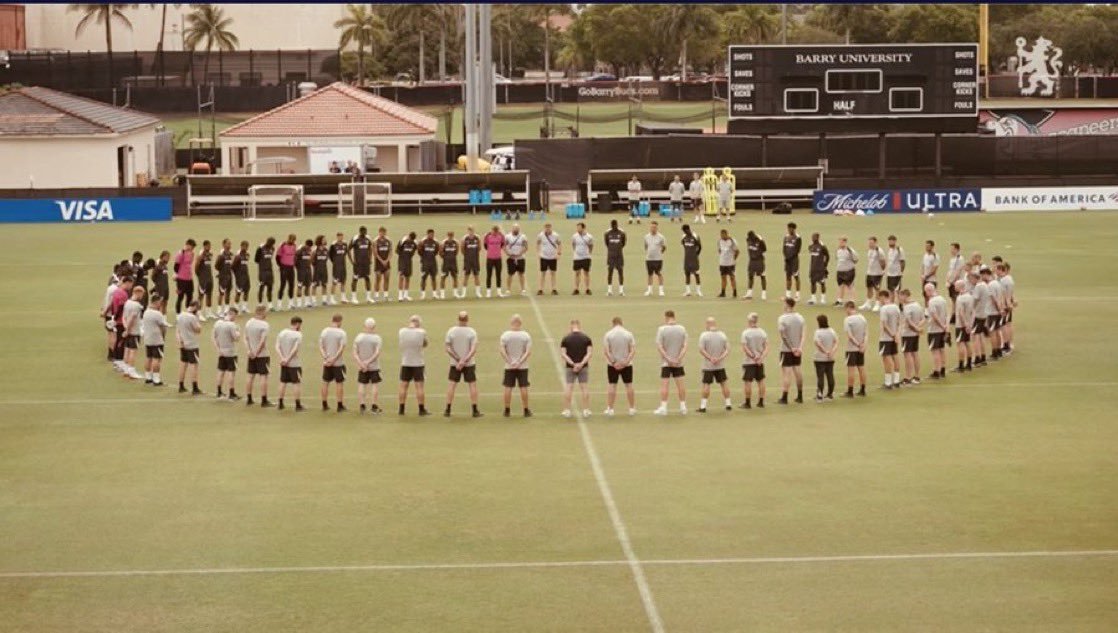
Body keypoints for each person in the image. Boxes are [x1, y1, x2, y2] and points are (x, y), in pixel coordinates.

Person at [444, 311, 481, 418]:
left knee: (452, 385)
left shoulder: (451, 331)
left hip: (454, 363)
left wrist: (458, 360)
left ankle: (448, 409)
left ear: (458, 319)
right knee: (472, 385)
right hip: (469, 363)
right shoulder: (472, 332)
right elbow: (473, 349)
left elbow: (448, 348)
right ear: (467, 320)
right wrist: (464, 361)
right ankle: (474, 410)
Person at [653, 310, 688, 415]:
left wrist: (668, 359)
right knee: (680, 384)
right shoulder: (682, 329)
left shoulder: (662, 329)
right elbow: (685, 346)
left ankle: (664, 407)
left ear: (666, 317)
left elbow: (660, 346)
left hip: (666, 363)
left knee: (665, 384)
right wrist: (678, 358)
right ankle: (683, 407)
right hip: (678, 362)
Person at [499, 314, 532, 417]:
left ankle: (507, 409)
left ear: (511, 323)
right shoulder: (526, 335)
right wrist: (520, 362)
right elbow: (528, 352)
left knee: (508, 387)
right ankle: (526, 409)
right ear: (520, 323)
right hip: (523, 366)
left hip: (509, 366)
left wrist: (510, 362)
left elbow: (502, 350)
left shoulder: (505, 335)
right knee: (523, 387)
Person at [603, 316, 636, 416]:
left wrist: (613, 362)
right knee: (629, 385)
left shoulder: (608, 334)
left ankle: (610, 409)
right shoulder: (628, 334)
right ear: (622, 323)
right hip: (627, 364)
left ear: (613, 323)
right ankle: (632, 408)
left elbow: (606, 351)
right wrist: (625, 362)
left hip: (613, 365)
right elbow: (632, 350)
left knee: (612, 385)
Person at [559, 319, 593, 418]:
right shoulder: (586, 338)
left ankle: (567, 410)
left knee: (569, 387)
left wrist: (573, 364)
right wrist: (581, 364)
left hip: (570, 367)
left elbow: (563, 354)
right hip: (583, 367)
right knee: (584, 387)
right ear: (579, 326)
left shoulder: (566, 339)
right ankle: (586, 410)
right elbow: (589, 353)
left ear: (571, 326)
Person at [698, 317, 732, 412]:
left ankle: (703, 406)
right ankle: (728, 403)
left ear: (708, 324)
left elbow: (701, 349)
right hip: (720, 365)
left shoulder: (704, 335)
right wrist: (720, 358)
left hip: (708, 366)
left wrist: (710, 358)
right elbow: (727, 349)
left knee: (706, 384)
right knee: (724, 383)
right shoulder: (722, 335)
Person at [398, 314, 430, 416]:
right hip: (418, 362)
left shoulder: (402, 331)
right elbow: (425, 344)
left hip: (406, 361)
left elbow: (401, 344)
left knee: (403, 385)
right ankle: (421, 409)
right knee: (419, 386)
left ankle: (401, 409)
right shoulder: (421, 332)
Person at [776, 297, 805, 404]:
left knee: (786, 373)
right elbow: (802, 335)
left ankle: (784, 397)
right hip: (798, 349)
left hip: (786, 350)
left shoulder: (782, 319)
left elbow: (783, 336)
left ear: (787, 305)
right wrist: (799, 347)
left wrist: (791, 348)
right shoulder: (800, 318)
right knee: (798, 371)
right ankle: (800, 395)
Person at [243, 304, 272, 407]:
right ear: (262, 312)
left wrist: (249, 351)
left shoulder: (248, 323)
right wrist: (257, 353)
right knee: (263, 377)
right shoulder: (264, 325)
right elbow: (262, 341)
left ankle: (249, 399)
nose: (267, 313)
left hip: (251, 354)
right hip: (262, 355)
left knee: (250, 376)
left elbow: (246, 338)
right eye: (266, 311)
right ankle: (264, 400)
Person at [353, 318, 383, 414]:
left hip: (362, 367)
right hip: (373, 366)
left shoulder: (359, 337)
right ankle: (374, 405)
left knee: (362, 384)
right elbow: (377, 353)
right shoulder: (377, 338)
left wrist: (361, 363)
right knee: (374, 385)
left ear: (364, 326)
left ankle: (362, 405)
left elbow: (355, 352)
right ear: (373, 327)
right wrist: (368, 362)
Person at [275, 316, 305, 411]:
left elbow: (277, 346)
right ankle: (298, 405)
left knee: (283, 382)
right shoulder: (298, 335)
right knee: (296, 383)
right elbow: (295, 349)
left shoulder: (282, 332)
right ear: (297, 324)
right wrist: (287, 359)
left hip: (283, 363)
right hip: (294, 363)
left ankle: (280, 403)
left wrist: (282, 358)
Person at [319, 313, 348, 412]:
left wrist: (326, 358)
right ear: (339, 321)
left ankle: (324, 404)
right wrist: (334, 359)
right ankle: (339, 405)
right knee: (339, 383)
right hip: (338, 363)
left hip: (326, 362)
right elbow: (341, 348)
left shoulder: (324, 331)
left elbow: (321, 346)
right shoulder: (341, 333)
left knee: (325, 382)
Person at [739, 312, 768, 408]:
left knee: (748, 382)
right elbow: (767, 347)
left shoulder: (746, 333)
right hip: (760, 362)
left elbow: (745, 347)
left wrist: (753, 356)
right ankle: (761, 402)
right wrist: (761, 358)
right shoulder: (763, 332)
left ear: (749, 321)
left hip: (749, 362)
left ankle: (747, 403)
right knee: (761, 381)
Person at [140, 293, 170, 386]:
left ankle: (148, 377)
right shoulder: (158, 314)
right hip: (157, 339)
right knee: (157, 359)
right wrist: (163, 337)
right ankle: (156, 378)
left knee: (149, 357)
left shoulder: (146, 312)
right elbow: (163, 327)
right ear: (156, 302)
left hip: (148, 338)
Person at [212, 307, 241, 400]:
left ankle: (219, 391)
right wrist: (238, 332)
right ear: (232, 314)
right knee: (231, 373)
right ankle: (231, 393)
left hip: (221, 351)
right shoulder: (231, 325)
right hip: (231, 352)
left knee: (221, 372)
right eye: (235, 315)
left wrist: (218, 349)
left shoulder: (218, 323)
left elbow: (214, 337)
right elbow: (236, 338)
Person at [841, 301, 869, 398]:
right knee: (861, 368)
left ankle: (850, 391)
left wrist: (857, 344)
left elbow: (850, 336)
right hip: (861, 348)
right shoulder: (862, 318)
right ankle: (863, 389)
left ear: (849, 308)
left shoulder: (848, 320)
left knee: (851, 370)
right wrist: (863, 345)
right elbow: (866, 333)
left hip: (852, 348)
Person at [176, 300, 203, 395]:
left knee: (183, 364)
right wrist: (198, 319)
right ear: (195, 307)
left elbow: (178, 331)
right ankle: (194, 387)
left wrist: (180, 342)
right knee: (194, 366)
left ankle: (181, 385)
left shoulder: (180, 315)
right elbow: (198, 330)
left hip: (183, 343)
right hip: (192, 344)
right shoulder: (192, 317)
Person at [877, 290, 902, 389]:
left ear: (883, 297)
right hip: (894, 337)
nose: (879, 300)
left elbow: (884, 324)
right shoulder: (896, 307)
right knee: (895, 356)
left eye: (879, 298)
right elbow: (899, 322)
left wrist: (892, 334)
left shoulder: (884, 309)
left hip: (885, 338)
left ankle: (888, 382)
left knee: (886, 359)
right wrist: (896, 335)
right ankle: (896, 380)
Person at [900, 288, 925, 386]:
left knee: (907, 355)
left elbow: (908, 322)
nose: (899, 298)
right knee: (915, 353)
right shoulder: (918, 305)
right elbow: (923, 319)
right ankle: (917, 376)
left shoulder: (907, 307)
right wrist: (918, 328)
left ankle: (908, 377)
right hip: (915, 335)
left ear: (905, 295)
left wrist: (916, 328)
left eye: (900, 296)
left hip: (907, 334)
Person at [925, 282, 949, 380]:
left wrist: (942, 326)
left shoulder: (932, 301)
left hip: (934, 330)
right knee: (941, 349)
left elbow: (934, 316)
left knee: (935, 351)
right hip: (942, 329)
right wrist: (945, 326)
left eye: (926, 291)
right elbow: (946, 314)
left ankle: (936, 371)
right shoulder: (942, 299)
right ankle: (942, 369)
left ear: (929, 290)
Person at [121, 285, 146, 380]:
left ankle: (126, 370)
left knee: (127, 350)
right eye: (142, 294)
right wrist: (128, 330)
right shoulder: (137, 306)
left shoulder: (127, 302)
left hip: (127, 329)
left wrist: (125, 328)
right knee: (133, 351)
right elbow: (132, 318)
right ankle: (131, 371)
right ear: (138, 293)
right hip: (134, 331)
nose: (142, 296)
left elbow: (124, 317)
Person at [812, 314, 838, 402]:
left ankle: (820, 395)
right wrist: (832, 352)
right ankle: (830, 394)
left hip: (820, 357)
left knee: (820, 377)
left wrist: (825, 351)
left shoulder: (818, 332)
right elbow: (836, 342)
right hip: (830, 358)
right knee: (830, 375)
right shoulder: (831, 331)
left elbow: (818, 343)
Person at [953, 279, 976, 373]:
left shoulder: (960, 298)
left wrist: (965, 324)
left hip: (961, 324)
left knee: (960, 344)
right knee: (967, 342)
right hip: (969, 323)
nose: (954, 287)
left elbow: (960, 312)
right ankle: (969, 364)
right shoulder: (970, 296)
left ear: (960, 287)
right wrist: (970, 324)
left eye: (956, 286)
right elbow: (973, 311)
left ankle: (961, 365)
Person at [860, 236, 887, 312]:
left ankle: (877, 304)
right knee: (869, 288)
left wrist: (882, 271)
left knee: (877, 289)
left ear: (875, 242)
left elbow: (883, 261)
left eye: (871, 243)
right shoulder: (870, 250)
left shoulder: (879, 251)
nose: (870, 244)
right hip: (869, 272)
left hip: (877, 273)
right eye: (869, 243)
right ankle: (868, 303)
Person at [349, 226, 374, 304]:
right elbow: (348, 249)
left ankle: (368, 297)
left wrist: (370, 258)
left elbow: (370, 248)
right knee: (355, 279)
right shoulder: (355, 239)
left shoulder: (368, 238)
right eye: (363, 232)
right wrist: (352, 261)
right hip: (358, 263)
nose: (365, 233)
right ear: (360, 232)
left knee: (367, 278)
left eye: (365, 232)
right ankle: (353, 298)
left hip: (366, 263)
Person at [969, 270, 989, 367]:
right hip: (984, 313)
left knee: (975, 336)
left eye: (971, 279)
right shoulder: (985, 285)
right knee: (980, 335)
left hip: (978, 314)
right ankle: (983, 356)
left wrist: (971, 310)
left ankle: (977, 357)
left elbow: (975, 300)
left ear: (974, 278)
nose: (970, 281)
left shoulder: (978, 286)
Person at [996, 262, 1016, 355]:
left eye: (997, 270)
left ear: (1001, 270)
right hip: (1008, 305)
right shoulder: (1010, 278)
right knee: (1007, 325)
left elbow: (1003, 295)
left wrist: (1003, 307)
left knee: (1003, 326)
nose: (996, 272)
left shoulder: (1003, 280)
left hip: (1005, 306)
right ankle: (1007, 344)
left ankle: (1006, 345)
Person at [504, 223, 529, 296]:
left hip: (520, 258)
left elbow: (526, 247)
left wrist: (520, 253)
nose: (516, 229)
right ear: (512, 228)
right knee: (510, 274)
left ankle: (523, 290)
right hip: (511, 258)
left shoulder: (523, 237)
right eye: (515, 228)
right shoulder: (508, 236)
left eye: (517, 228)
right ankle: (508, 290)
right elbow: (504, 246)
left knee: (521, 274)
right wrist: (508, 253)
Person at [536, 223, 561, 295]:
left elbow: (559, 244)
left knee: (553, 273)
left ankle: (554, 289)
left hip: (553, 257)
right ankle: (540, 289)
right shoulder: (541, 235)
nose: (547, 229)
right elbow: (537, 243)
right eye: (546, 228)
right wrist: (538, 253)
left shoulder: (556, 235)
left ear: (551, 228)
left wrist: (558, 253)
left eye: (549, 228)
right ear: (544, 228)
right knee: (543, 273)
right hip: (544, 257)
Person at [643, 221, 667, 296]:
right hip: (649, 259)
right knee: (650, 274)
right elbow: (646, 246)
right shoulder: (646, 237)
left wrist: (659, 253)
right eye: (652, 227)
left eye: (654, 227)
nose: (653, 228)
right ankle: (649, 290)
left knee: (658, 273)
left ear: (657, 228)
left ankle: (661, 290)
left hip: (658, 259)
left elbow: (664, 247)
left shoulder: (661, 237)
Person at [173, 238, 196, 314]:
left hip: (189, 278)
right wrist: (177, 275)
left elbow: (189, 264)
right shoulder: (181, 253)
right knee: (180, 297)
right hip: (181, 279)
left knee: (190, 296)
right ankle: (178, 314)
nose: (192, 248)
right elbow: (176, 266)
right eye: (192, 246)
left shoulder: (192, 253)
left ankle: (188, 312)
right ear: (188, 245)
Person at [604, 219, 627, 296]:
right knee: (610, 272)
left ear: (617, 224)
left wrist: (618, 249)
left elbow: (623, 243)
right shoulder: (607, 233)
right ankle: (609, 290)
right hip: (611, 256)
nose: (614, 226)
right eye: (613, 225)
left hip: (619, 256)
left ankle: (621, 290)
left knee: (620, 272)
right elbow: (607, 243)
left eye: (615, 225)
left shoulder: (622, 233)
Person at [833, 235, 857, 306]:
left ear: (845, 242)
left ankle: (851, 300)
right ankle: (839, 300)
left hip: (849, 270)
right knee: (841, 285)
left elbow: (856, 259)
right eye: (839, 241)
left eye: (841, 241)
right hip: (840, 271)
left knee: (850, 286)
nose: (840, 243)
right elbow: (837, 258)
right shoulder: (838, 250)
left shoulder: (850, 250)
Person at [571, 222, 594, 295]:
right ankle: (576, 288)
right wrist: (576, 252)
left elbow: (591, 245)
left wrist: (589, 253)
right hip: (577, 257)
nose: (578, 229)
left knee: (586, 273)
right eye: (577, 227)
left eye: (579, 227)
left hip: (586, 257)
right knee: (577, 273)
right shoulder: (574, 236)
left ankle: (587, 288)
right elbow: (573, 244)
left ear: (583, 228)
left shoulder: (589, 236)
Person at [483, 225, 506, 298]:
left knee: (498, 275)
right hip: (490, 258)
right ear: (492, 230)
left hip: (498, 258)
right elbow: (485, 246)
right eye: (494, 231)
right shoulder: (487, 236)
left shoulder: (501, 236)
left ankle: (499, 292)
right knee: (489, 275)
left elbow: (502, 244)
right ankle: (488, 292)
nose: (495, 232)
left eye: (496, 231)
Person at [807, 232, 830, 306]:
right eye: (812, 237)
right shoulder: (811, 246)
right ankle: (813, 299)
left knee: (822, 283)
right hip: (813, 267)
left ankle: (823, 298)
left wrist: (825, 265)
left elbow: (827, 256)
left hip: (820, 268)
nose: (813, 239)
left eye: (814, 237)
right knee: (812, 282)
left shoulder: (822, 246)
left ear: (818, 238)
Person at [744, 230, 767, 301]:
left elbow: (765, 249)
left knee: (762, 276)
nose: (751, 239)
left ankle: (763, 293)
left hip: (759, 260)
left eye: (752, 237)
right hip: (752, 260)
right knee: (750, 276)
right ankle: (749, 293)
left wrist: (758, 253)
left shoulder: (759, 240)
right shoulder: (748, 240)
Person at [195, 239, 216, 319]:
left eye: (210, 245)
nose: (210, 247)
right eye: (208, 245)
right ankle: (199, 313)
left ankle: (208, 312)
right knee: (201, 296)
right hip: (202, 278)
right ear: (205, 246)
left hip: (209, 278)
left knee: (209, 294)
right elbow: (196, 267)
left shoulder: (210, 254)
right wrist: (199, 276)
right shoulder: (200, 255)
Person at [276, 234, 297, 311]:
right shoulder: (282, 245)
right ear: (289, 238)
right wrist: (280, 266)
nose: (293, 241)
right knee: (283, 285)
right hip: (284, 267)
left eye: (294, 240)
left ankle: (290, 303)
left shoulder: (294, 246)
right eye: (292, 239)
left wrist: (293, 264)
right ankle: (279, 304)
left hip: (291, 268)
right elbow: (277, 257)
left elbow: (294, 256)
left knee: (291, 285)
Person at [716, 228, 739, 298]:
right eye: (721, 235)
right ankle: (723, 292)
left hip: (730, 263)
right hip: (722, 263)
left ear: (726, 234)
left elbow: (737, 251)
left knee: (732, 277)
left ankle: (734, 292)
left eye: (723, 235)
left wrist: (733, 259)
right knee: (723, 277)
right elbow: (719, 250)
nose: (722, 236)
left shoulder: (732, 241)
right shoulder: (719, 241)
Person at [782, 222, 802, 301]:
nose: (789, 230)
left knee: (796, 276)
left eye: (790, 228)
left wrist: (790, 257)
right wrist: (786, 257)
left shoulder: (798, 238)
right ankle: (788, 295)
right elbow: (784, 248)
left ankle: (797, 295)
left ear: (793, 229)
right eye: (788, 228)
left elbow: (797, 250)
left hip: (794, 260)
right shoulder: (786, 237)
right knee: (788, 276)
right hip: (787, 260)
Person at [681, 224, 703, 297]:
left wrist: (696, 254)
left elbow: (700, 247)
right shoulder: (684, 237)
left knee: (696, 274)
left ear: (688, 229)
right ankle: (688, 291)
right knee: (687, 274)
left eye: (685, 231)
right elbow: (683, 244)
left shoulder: (695, 236)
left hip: (694, 258)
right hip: (687, 258)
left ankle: (698, 291)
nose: (684, 232)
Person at [419, 228, 441, 300]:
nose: (432, 235)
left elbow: (436, 251)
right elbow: (420, 251)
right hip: (425, 263)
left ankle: (434, 294)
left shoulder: (435, 242)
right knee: (423, 278)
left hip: (433, 263)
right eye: (430, 234)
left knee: (433, 278)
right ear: (427, 234)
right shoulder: (423, 242)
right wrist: (424, 258)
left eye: (433, 234)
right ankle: (423, 294)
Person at [255, 237, 277, 309]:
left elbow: (270, 258)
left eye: (272, 244)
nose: (271, 245)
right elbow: (256, 260)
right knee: (261, 287)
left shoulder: (272, 249)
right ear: (267, 242)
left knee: (270, 287)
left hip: (270, 271)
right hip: (262, 272)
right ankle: (260, 304)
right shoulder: (260, 248)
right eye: (270, 243)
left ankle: (270, 305)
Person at [372, 226, 392, 302]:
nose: (383, 234)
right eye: (381, 232)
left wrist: (387, 260)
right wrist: (382, 261)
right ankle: (376, 296)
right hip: (378, 264)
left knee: (387, 278)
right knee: (378, 279)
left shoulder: (388, 241)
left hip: (387, 263)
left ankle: (386, 296)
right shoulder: (375, 241)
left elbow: (390, 251)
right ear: (379, 232)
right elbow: (375, 253)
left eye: (384, 232)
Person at [396, 231, 417, 301]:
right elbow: (397, 251)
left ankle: (406, 295)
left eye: (412, 240)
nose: (410, 240)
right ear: (409, 237)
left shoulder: (414, 243)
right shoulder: (403, 241)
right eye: (410, 239)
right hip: (402, 262)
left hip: (409, 262)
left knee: (408, 278)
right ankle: (400, 296)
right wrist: (402, 255)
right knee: (401, 277)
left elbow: (414, 251)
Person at [215, 238, 235, 316]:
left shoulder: (230, 254)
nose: (229, 245)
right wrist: (222, 272)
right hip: (223, 276)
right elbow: (216, 266)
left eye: (230, 244)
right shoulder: (221, 254)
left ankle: (226, 310)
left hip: (229, 276)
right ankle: (219, 310)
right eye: (228, 244)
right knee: (221, 293)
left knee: (228, 292)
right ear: (223, 245)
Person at [462, 226, 483, 298]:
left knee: (476, 276)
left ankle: (478, 293)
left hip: (475, 260)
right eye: (469, 230)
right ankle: (463, 293)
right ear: (468, 231)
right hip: (467, 261)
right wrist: (467, 256)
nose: (471, 232)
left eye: (472, 230)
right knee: (466, 276)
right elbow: (462, 249)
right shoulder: (465, 238)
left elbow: (479, 248)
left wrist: (474, 255)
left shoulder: (477, 238)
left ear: (474, 230)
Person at [328, 232, 348, 305]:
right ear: (337, 237)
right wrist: (334, 261)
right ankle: (332, 298)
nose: (341, 238)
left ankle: (343, 298)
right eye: (339, 236)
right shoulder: (333, 245)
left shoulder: (345, 244)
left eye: (342, 236)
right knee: (335, 281)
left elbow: (345, 253)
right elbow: (330, 255)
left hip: (343, 265)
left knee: (343, 281)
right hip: (336, 266)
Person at [440, 230, 461, 299]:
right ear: (447, 235)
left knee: (455, 277)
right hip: (446, 263)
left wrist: (452, 257)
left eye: (451, 235)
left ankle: (455, 293)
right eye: (449, 235)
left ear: (453, 236)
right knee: (443, 277)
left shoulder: (455, 243)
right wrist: (445, 258)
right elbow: (441, 252)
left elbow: (457, 251)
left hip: (453, 263)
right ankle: (442, 294)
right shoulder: (444, 243)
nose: (450, 237)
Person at [885, 235, 906, 302]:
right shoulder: (889, 250)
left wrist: (901, 272)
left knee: (897, 291)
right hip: (889, 274)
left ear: (895, 241)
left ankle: (900, 305)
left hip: (897, 274)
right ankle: (891, 304)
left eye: (891, 241)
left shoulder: (899, 250)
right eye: (889, 241)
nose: (890, 243)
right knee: (890, 290)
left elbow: (902, 261)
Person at [233, 240, 252, 313]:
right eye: (245, 246)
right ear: (241, 246)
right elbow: (233, 266)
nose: (246, 248)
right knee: (238, 292)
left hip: (246, 275)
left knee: (247, 290)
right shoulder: (238, 255)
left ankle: (244, 307)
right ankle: (236, 308)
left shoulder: (247, 255)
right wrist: (237, 275)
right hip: (240, 277)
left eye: (247, 246)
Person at [295, 238, 314, 309]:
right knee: (300, 286)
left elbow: (310, 259)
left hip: (308, 270)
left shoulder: (310, 250)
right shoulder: (300, 250)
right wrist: (298, 267)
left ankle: (307, 302)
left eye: (310, 247)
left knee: (308, 286)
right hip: (301, 270)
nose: (309, 248)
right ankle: (299, 303)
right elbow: (295, 259)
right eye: (308, 246)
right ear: (305, 244)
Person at [311, 235, 329, 307]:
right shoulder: (315, 250)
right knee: (315, 285)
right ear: (320, 240)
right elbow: (311, 260)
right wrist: (315, 266)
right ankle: (314, 301)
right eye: (323, 239)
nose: (325, 240)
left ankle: (324, 300)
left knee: (324, 284)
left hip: (324, 269)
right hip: (317, 270)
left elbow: (326, 258)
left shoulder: (326, 249)